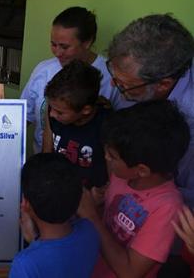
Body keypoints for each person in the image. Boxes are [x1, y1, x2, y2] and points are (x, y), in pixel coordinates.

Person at [78, 100, 189, 277]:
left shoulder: (168, 208)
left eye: (112, 156)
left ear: (142, 170)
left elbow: (130, 272)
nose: (105, 157)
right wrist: (98, 204)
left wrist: (91, 216)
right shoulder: (122, 176)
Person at [0, 153, 100, 278]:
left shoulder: (25, 264)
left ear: (25, 204)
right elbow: (56, 258)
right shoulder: (89, 231)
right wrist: (34, 240)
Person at [105, 14, 194, 209]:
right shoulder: (144, 80)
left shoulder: (190, 120)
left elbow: (186, 198)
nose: (113, 85)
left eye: (123, 85)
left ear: (163, 84)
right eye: (114, 76)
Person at [20, 6, 118, 153]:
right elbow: (24, 116)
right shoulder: (43, 70)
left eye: (65, 47)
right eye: (53, 44)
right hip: (45, 164)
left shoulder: (113, 77)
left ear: (87, 42)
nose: (57, 52)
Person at [42, 60, 111, 189]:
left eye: (60, 112)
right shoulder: (53, 112)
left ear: (86, 110)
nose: (52, 114)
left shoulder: (106, 126)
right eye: (51, 108)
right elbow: (47, 153)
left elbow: (112, 176)